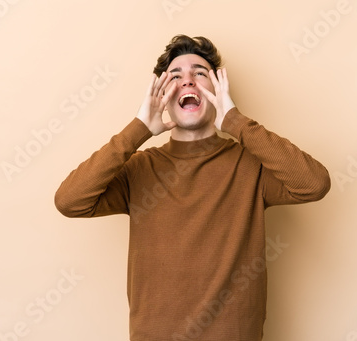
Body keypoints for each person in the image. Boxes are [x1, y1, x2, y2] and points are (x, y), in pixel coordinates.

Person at [55, 34, 331, 341]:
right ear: (162, 95)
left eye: (200, 74)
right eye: (175, 76)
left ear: (217, 90)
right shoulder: (139, 169)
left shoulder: (251, 165)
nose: (187, 81)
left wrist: (236, 122)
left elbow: (314, 184)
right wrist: (139, 129)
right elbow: (70, 201)